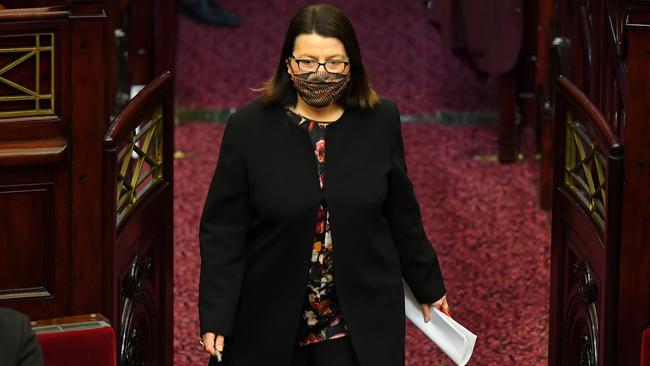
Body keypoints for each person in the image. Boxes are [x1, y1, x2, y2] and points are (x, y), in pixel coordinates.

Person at [198, 4, 449, 366]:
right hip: (269, 314)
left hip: (354, 315)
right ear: (288, 64)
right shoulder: (248, 129)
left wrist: (429, 283)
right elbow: (224, 230)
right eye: (307, 62)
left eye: (334, 62)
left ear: (352, 67)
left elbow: (401, 214)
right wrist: (217, 313)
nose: (320, 73)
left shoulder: (380, 121)